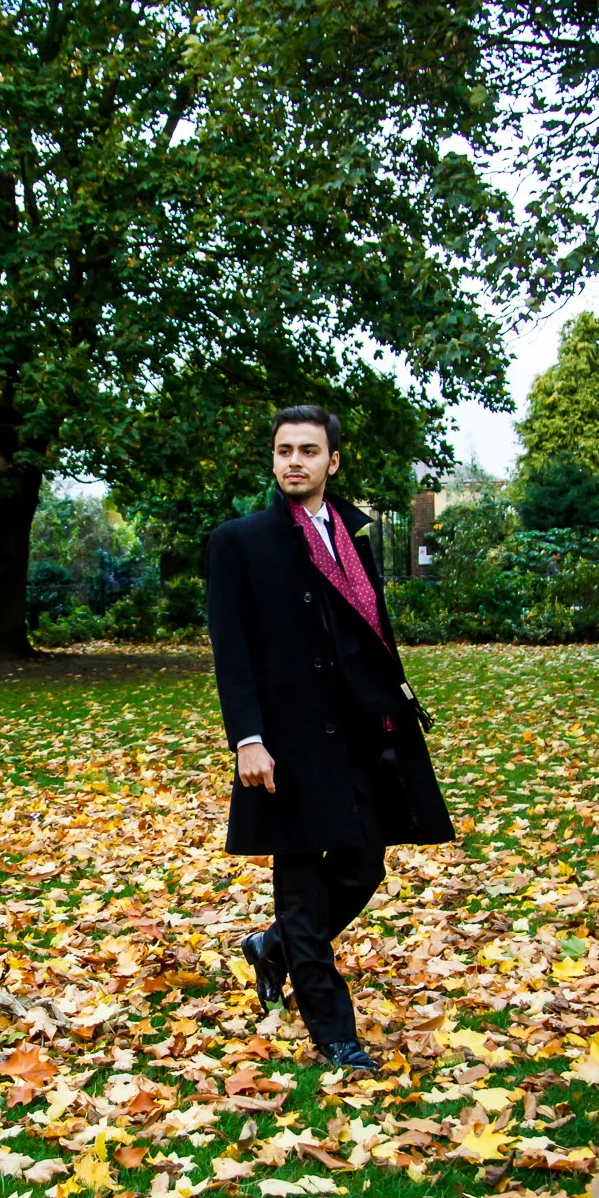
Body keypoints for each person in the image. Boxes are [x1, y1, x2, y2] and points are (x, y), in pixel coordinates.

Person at [205, 406, 453, 1072]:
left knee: (364, 864)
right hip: (285, 743)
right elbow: (232, 651)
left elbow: (368, 632)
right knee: (303, 881)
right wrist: (247, 739)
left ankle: (276, 948)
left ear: (331, 462)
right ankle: (334, 1032)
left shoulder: (353, 536)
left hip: (363, 734)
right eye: (284, 449)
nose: (294, 461)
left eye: (308, 451)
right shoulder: (240, 542)